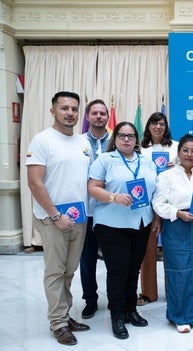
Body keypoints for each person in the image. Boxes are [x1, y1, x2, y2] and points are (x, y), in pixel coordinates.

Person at [26, 91, 92, 345]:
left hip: (78, 218)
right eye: (64, 108)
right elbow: (34, 182)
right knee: (55, 271)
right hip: (52, 218)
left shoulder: (83, 143)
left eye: (74, 109)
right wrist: (55, 215)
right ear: (53, 111)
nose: (70, 113)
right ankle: (58, 323)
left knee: (69, 270)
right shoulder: (42, 140)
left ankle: (64, 314)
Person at [88, 122, 158, 339]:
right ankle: (117, 316)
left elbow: (154, 191)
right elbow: (92, 188)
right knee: (118, 272)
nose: (126, 139)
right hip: (112, 225)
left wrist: (156, 218)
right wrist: (114, 198)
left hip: (141, 223)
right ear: (115, 138)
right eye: (122, 135)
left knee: (133, 269)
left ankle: (131, 310)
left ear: (137, 139)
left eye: (131, 136)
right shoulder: (105, 160)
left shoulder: (146, 162)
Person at [152, 134, 193, 333]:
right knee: (179, 271)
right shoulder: (166, 176)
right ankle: (180, 316)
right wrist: (177, 213)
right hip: (177, 225)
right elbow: (158, 204)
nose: (189, 154)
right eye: (185, 150)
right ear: (178, 153)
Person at [137, 112, 178, 307]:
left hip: (171, 203)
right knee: (147, 250)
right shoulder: (140, 148)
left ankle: (174, 290)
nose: (158, 127)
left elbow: (187, 167)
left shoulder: (176, 146)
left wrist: (175, 166)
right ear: (148, 126)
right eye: (154, 123)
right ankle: (148, 293)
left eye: (161, 123)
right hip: (147, 204)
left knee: (173, 250)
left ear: (166, 126)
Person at [80, 99, 111, 319]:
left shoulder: (118, 141)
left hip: (111, 212)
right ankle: (90, 300)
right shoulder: (78, 142)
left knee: (114, 260)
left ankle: (115, 298)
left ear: (108, 117)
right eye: (95, 113)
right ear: (88, 116)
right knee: (87, 260)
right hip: (86, 212)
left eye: (102, 113)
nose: (99, 117)